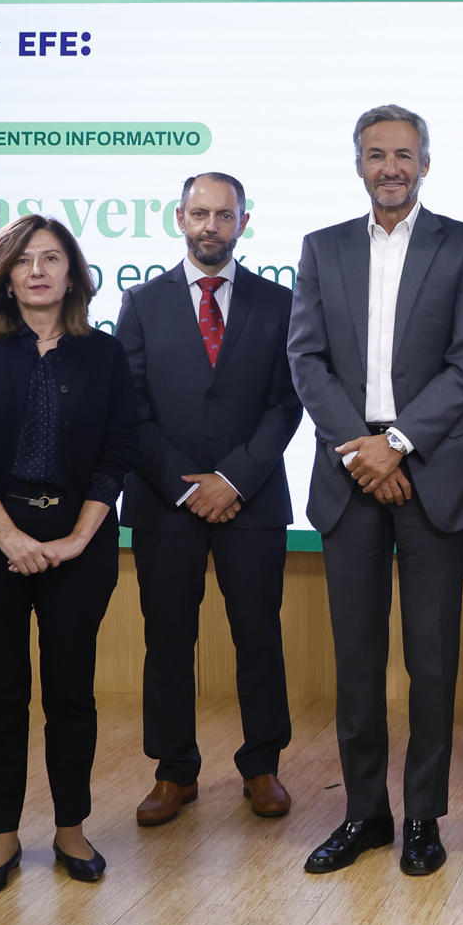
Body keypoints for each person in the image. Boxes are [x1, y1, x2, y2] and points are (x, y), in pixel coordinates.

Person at [287, 104, 463, 877]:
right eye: (376, 154)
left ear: (426, 163)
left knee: (433, 660)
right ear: (358, 164)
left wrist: (398, 443)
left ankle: (425, 818)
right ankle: (366, 814)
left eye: (404, 154)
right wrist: (361, 450)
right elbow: (307, 361)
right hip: (349, 474)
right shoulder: (321, 248)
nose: (391, 167)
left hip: (430, 469)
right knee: (357, 659)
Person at [0, 215, 139, 898]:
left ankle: (71, 829)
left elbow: (118, 451)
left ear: (74, 274)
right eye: (24, 260)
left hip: (79, 542)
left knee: (71, 694)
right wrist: (7, 535)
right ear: (5, 275)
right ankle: (2, 837)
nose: (39, 270)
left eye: (53, 258)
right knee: (2, 697)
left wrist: (78, 538)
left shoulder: (103, 354)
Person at [116, 172, 302, 828]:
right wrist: (186, 486)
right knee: (168, 640)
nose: (211, 226)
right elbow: (130, 411)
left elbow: (287, 404)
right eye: (200, 213)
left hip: (252, 501)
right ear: (178, 218)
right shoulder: (140, 303)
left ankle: (261, 766)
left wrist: (234, 480)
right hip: (165, 504)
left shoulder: (280, 303)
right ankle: (173, 771)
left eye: (224, 216)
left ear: (244, 224)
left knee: (258, 638)